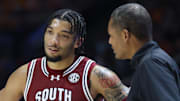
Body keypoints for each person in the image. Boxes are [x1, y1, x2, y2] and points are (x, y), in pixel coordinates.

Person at [0, 9, 129, 101]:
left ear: (78, 42)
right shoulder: (25, 74)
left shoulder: (95, 75)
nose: (54, 41)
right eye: (50, 32)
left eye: (64, 36)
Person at [108, 3, 180, 101]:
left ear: (125, 35)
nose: (110, 41)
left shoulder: (150, 64)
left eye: (111, 36)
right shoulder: (151, 62)